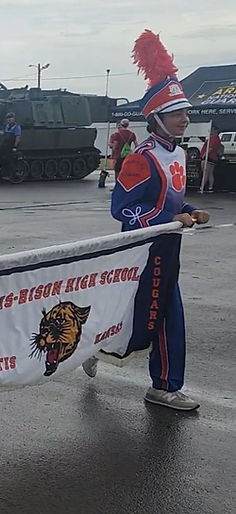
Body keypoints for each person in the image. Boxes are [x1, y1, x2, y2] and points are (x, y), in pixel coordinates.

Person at [102, 29, 209, 411]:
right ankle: (163, 386)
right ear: (158, 118)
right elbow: (124, 209)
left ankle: (97, 349)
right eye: (177, 114)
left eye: (184, 113)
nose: (184, 119)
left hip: (169, 247)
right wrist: (170, 218)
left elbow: (172, 198)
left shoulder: (178, 155)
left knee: (134, 313)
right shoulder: (140, 158)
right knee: (165, 316)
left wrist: (189, 209)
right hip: (145, 251)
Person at [0, 112, 21, 181]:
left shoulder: (16, 126)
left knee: (10, 159)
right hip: (5, 145)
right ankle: (3, 172)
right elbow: (4, 133)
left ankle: (13, 174)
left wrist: (15, 146)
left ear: (14, 119)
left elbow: (18, 137)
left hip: (11, 145)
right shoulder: (7, 126)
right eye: (8, 118)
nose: (9, 119)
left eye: (10, 118)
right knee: (0, 156)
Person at [199, 126, 222, 193]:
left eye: (212, 130)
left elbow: (210, 148)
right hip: (213, 157)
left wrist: (204, 155)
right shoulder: (217, 139)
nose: (210, 131)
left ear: (215, 131)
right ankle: (210, 187)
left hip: (208, 157)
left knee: (205, 173)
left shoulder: (213, 138)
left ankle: (202, 187)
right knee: (210, 173)